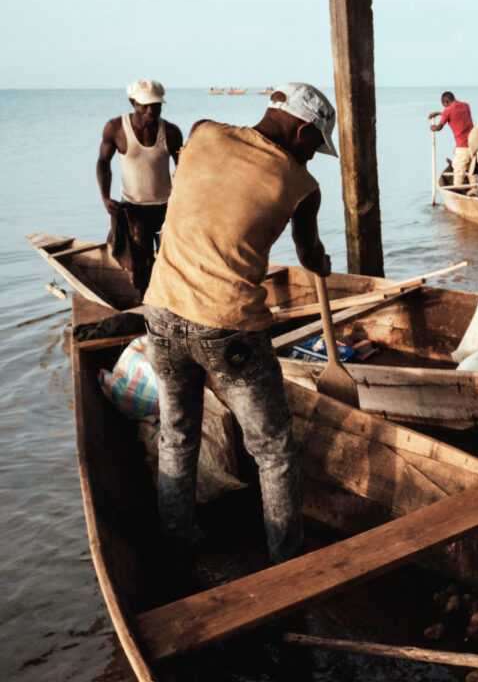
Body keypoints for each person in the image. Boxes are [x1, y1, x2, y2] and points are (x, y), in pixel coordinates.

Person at [142, 82, 338, 568]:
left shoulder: (202, 132)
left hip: (161, 314)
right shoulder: (302, 187)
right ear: (302, 129)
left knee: (176, 434)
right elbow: (309, 254)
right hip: (228, 332)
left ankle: (178, 542)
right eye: (315, 146)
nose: (312, 158)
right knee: (272, 450)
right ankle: (285, 561)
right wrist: (322, 262)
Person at [96, 79, 184, 294]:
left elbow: (183, 169)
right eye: (145, 105)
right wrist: (105, 198)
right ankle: (146, 306)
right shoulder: (115, 128)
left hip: (167, 207)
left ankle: (169, 303)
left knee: (171, 259)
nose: (150, 110)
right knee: (140, 264)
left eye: (155, 105)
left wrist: (185, 203)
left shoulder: (171, 132)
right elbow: (103, 163)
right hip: (133, 208)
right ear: (132, 102)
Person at [429, 91, 474, 185]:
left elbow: (439, 127)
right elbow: (454, 112)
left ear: (445, 101)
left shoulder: (447, 110)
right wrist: (439, 113)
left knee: (458, 173)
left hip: (462, 147)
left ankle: (457, 191)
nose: (444, 108)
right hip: (474, 145)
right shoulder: (466, 105)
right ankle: (475, 189)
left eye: (444, 105)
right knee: (473, 171)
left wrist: (433, 128)